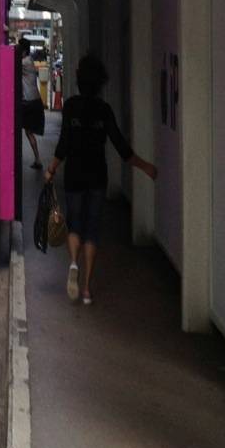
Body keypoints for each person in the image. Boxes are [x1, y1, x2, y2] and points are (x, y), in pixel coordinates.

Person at [44, 53, 157, 307]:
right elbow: (121, 147)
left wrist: (51, 169)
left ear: (79, 80)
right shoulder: (104, 111)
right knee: (92, 229)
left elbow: (63, 144)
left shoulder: (71, 106)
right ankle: (85, 289)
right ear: (100, 84)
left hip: (74, 173)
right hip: (97, 176)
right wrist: (146, 167)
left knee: (74, 225)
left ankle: (73, 263)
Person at [19, 36, 45, 169]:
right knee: (28, 132)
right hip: (34, 100)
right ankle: (37, 159)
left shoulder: (24, 62)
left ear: (23, 51)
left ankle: (37, 159)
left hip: (28, 102)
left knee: (25, 131)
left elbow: (9, 62)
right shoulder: (29, 61)